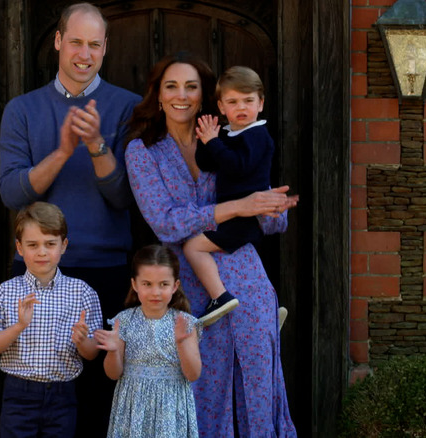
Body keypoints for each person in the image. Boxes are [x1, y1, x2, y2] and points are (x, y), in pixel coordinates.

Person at [124, 52, 298, 437]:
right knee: (199, 387)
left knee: (257, 381)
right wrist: (238, 206)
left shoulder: (232, 139)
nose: (181, 95)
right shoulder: (142, 151)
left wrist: (272, 207)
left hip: (245, 274)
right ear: (158, 95)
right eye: (171, 86)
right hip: (185, 284)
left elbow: (270, 220)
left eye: (191, 87)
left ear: (204, 97)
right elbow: (166, 223)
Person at [0, 3, 141, 435]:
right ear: (58, 41)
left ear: (105, 48)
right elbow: (12, 193)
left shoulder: (128, 107)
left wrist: (96, 144)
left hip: (107, 271)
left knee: (100, 398)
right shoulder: (22, 110)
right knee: (36, 396)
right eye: (75, 41)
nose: (84, 53)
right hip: (37, 273)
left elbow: (124, 198)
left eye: (94, 44)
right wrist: (62, 151)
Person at [0, 202, 103, 438]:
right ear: (19, 248)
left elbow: (92, 353)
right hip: (19, 393)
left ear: (63, 246)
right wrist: (19, 326)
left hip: (62, 394)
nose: (42, 252)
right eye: (33, 245)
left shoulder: (82, 292)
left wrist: (82, 341)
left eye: (50, 244)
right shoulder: (6, 292)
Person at [184, 65, 275, 326]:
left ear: (261, 103)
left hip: (244, 218)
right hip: (232, 214)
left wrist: (214, 142)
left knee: (193, 247)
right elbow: (207, 164)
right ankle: (262, 311)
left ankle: (220, 297)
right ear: (222, 107)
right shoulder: (229, 133)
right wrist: (206, 139)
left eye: (248, 100)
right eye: (233, 102)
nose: (242, 107)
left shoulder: (257, 135)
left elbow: (238, 166)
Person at [94, 245, 201, 438]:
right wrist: (113, 351)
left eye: (163, 284)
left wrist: (182, 344)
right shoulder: (124, 321)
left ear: (175, 286)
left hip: (170, 407)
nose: (155, 292)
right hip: (133, 406)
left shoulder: (185, 323)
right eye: (147, 284)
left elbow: (193, 374)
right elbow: (113, 373)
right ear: (135, 284)